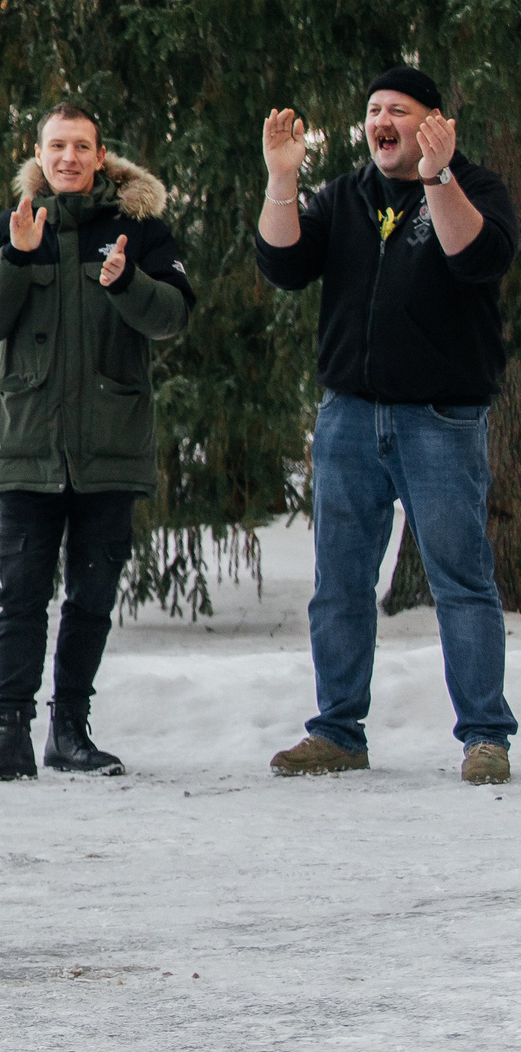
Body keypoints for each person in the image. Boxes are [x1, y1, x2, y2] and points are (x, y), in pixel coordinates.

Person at [257, 69, 515, 786]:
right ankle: (338, 730)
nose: (382, 120)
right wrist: (283, 181)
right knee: (339, 582)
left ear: (435, 122)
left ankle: (486, 736)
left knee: (461, 580)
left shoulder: (475, 188)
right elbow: (282, 262)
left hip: (440, 418)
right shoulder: (345, 195)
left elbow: (479, 256)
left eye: (398, 109)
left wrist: (438, 179)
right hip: (348, 417)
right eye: (373, 110)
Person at [0, 103, 194, 783]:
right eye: (58, 145)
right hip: (29, 451)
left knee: (90, 597)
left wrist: (126, 281)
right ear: (39, 152)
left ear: (101, 154)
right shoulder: (11, 228)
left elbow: (173, 315)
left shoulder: (138, 231)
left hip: (110, 450)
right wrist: (18, 258)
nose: (70, 157)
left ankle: (70, 731)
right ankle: (8, 734)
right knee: (21, 596)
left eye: (82, 146)